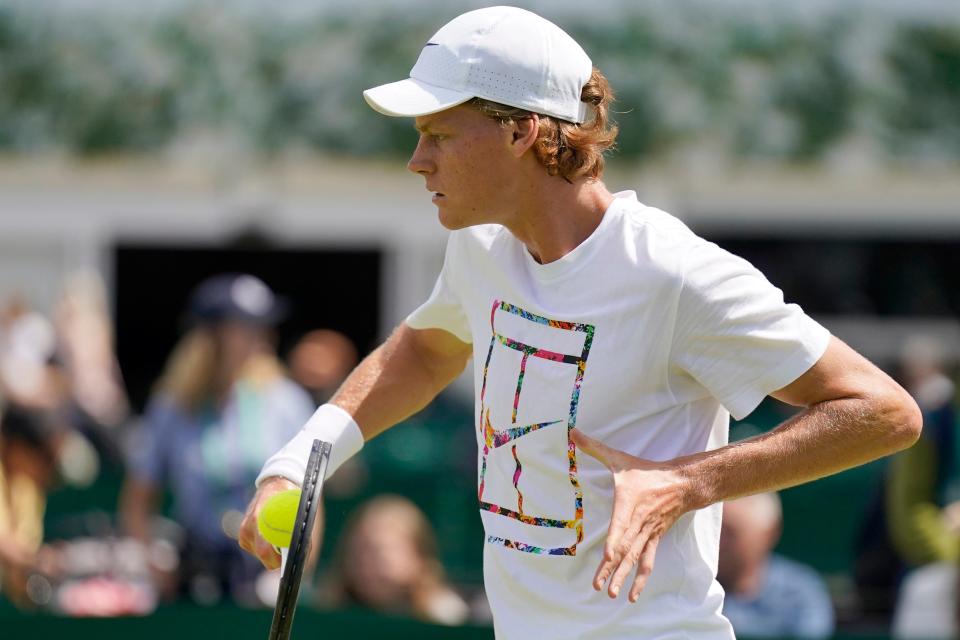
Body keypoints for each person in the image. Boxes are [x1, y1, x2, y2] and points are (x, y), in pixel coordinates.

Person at [239, 7, 921, 638]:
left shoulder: (674, 273)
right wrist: (302, 459)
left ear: (521, 132)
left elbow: (883, 411)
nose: (418, 160)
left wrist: (688, 481)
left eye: (438, 134)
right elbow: (425, 350)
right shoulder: (480, 247)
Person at [120, 273, 314, 606]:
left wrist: (293, 575)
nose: (260, 337)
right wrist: (150, 561)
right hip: (195, 575)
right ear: (210, 336)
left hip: (266, 572)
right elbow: (138, 497)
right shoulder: (172, 406)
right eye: (245, 326)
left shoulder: (287, 402)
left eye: (263, 325)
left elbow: (312, 502)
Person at [319, 494, 470, 626]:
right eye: (357, 552)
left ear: (418, 557)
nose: (365, 565)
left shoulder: (445, 615)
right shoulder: (327, 609)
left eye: (378, 553)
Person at [718, 493, 835, 639]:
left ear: (768, 533)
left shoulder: (803, 591)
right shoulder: (693, 582)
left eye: (730, 533)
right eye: (717, 534)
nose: (719, 544)